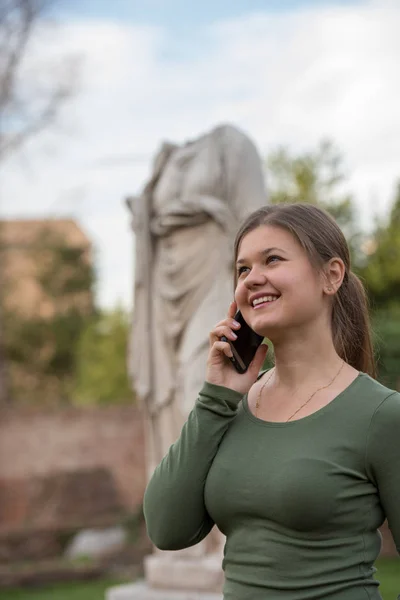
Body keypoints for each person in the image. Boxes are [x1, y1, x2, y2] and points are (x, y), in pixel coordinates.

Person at [143, 203, 400, 600]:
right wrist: (216, 396)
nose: (252, 279)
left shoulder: (381, 415)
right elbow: (166, 529)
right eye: (242, 269)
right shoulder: (229, 406)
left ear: (331, 276)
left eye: (272, 260)